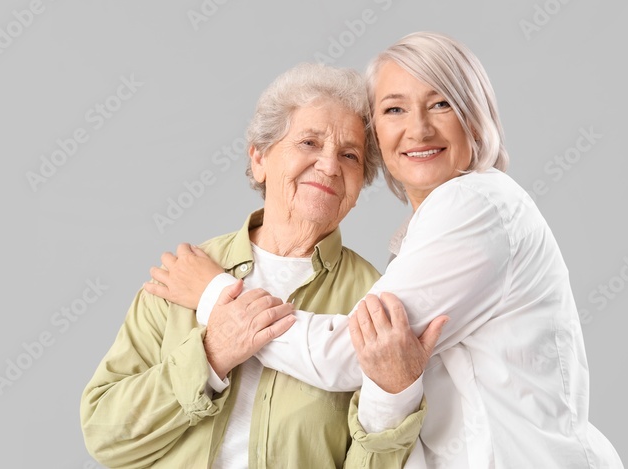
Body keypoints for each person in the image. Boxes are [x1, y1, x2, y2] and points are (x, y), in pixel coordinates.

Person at [148, 32, 624, 468]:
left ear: (474, 121)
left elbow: (347, 356)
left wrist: (213, 295)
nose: (417, 130)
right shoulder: (426, 231)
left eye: (440, 104)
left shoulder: (475, 204)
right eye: (394, 109)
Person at [80, 63, 445, 468]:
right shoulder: (186, 273)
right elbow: (105, 433)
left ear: (360, 185)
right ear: (259, 158)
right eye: (309, 142)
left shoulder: (376, 300)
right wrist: (211, 356)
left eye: (349, 155)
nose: (329, 165)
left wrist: (395, 397)